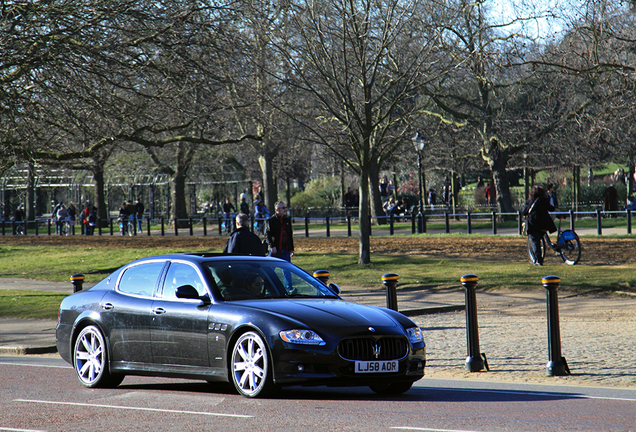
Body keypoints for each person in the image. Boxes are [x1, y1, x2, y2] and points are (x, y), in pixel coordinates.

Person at [522, 185, 557, 266]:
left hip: (533, 224)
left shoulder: (529, 202)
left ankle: (538, 260)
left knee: (535, 242)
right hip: (544, 224)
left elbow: (524, 212)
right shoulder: (544, 201)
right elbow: (551, 208)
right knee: (540, 238)